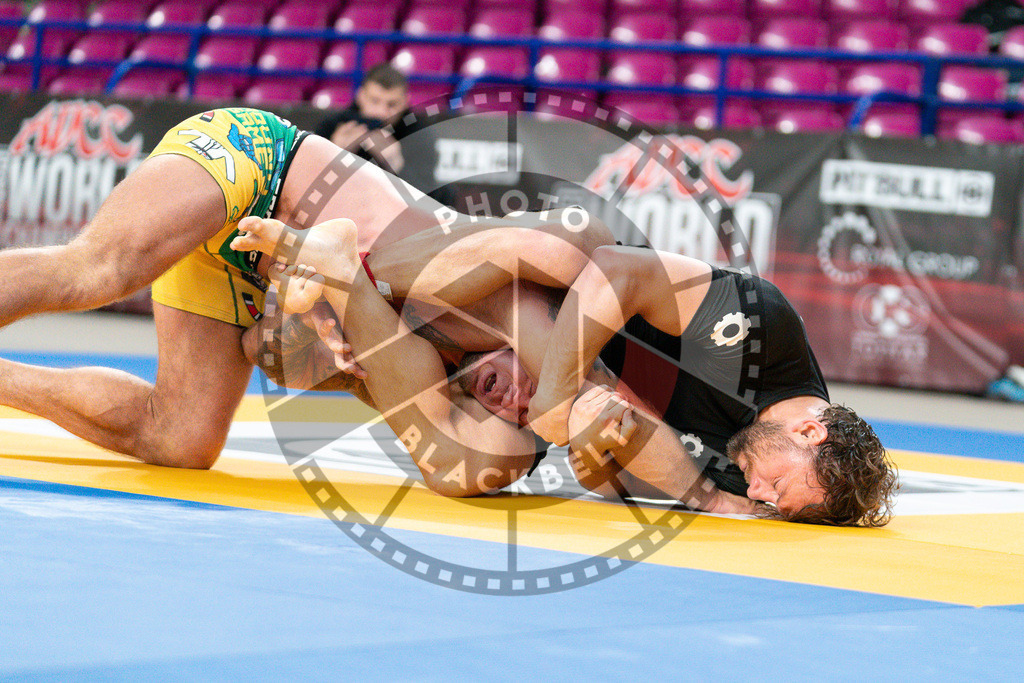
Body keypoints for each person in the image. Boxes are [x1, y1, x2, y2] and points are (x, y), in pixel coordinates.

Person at [0, 107, 602, 470]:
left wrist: (318, 345)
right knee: (101, 270)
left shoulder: (424, 368)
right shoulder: (490, 279)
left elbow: (261, 350)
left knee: (182, 438)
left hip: (246, 259)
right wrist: (321, 298)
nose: (515, 404)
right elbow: (345, 241)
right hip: (261, 162)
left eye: (515, 416)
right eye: (536, 387)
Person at [233, 216, 757, 515]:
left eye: (497, 392)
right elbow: (259, 346)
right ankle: (341, 276)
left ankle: (342, 276)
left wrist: (564, 410)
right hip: (446, 310)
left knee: (458, 467)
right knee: (558, 253)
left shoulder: (507, 318)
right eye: (496, 392)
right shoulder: (507, 304)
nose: (514, 403)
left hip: (464, 318)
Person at [515, 245, 899, 526]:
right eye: (777, 485)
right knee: (555, 252)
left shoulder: (746, 470)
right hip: (547, 292)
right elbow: (617, 269)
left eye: (771, 503)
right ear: (809, 431)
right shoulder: (766, 331)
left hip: (528, 370)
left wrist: (589, 439)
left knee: (490, 463)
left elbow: (615, 484)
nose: (755, 494)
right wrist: (554, 398)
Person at [314, 63, 452, 206]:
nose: (381, 112)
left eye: (392, 104)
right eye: (374, 101)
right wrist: (334, 151)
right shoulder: (334, 126)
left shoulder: (418, 135)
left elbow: (430, 199)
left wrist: (397, 166)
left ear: (405, 102)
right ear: (361, 96)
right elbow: (307, 184)